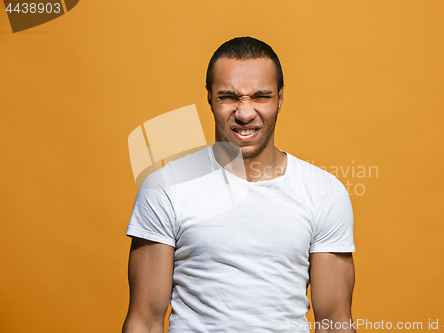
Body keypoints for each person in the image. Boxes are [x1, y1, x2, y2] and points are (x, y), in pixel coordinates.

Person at [122, 36, 356, 333]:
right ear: (209, 98)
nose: (245, 114)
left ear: (280, 98)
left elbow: (335, 323)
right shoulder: (166, 187)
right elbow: (144, 320)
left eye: (260, 96)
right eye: (229, 97)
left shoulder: (324, 192)